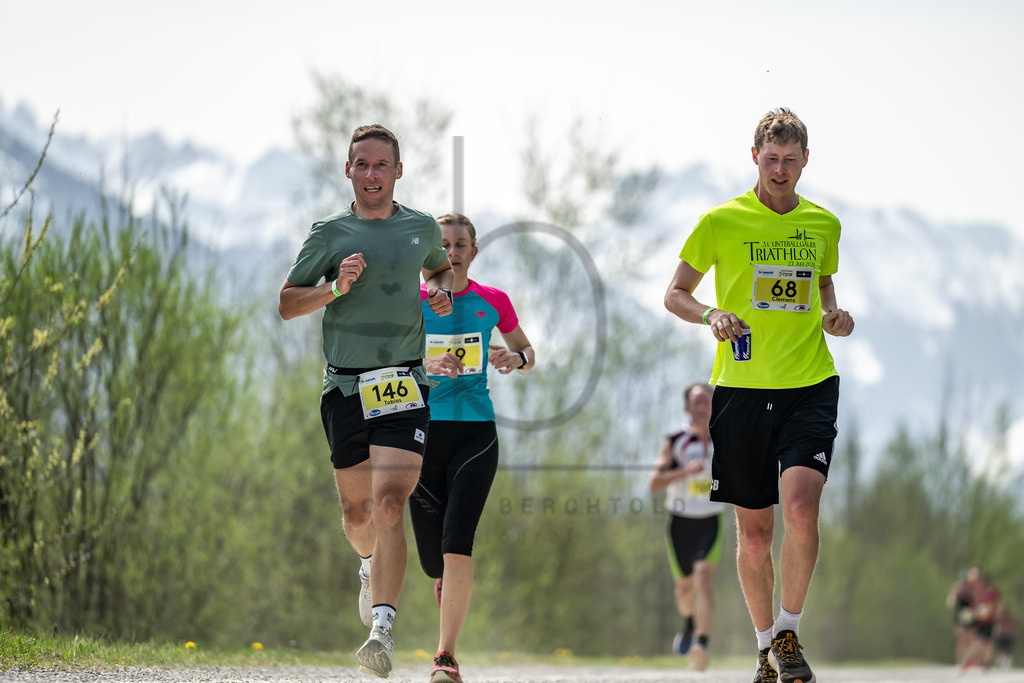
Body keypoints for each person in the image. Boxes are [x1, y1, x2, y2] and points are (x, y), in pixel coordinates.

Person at [664, 107, 855, 683]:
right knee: (755, 533)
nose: (779, 169)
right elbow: (674, 294)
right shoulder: (721, 221)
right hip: (741, 390)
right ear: (755, 157)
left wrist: (833, 317)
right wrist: (712, 314)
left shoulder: (824, 225)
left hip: (809, 387)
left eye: (789, 161)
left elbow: (822, 287)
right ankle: (764, 644)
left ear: (804, 162)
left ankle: (791, 631)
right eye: (770, 159)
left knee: (800, 509)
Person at [278, 124, 454, 679]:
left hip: (402, 380)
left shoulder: (421, 227)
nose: (372, 173)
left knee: (389, 505)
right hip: (346, 387)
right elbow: (286, 304)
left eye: (382, 164)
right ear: (348, 170)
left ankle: (381, 629)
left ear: (398, 171)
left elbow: (439, 268)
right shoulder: (329, 234)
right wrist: (334, 289)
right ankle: (367, 564)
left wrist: (440, 289)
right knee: (358, 517)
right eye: (362, 164)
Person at [410, 212, 535, 683]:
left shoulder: (493, 300)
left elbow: (529, 353)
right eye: (442, 245)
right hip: (421, 434)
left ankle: (446, 658)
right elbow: (391, 361)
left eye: (460, 244)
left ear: (473, 252)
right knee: (431, 560)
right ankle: (444, 581)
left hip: (476, 433)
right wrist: (426, 365)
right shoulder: (414, 301)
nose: (452, 252)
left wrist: (513, 357)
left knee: (457, 541)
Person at [647, 381, 725, 672]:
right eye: (696, 401)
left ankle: (700, 645)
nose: (702, 406)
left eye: (707, 401)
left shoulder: (725, 440)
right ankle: (689, 624)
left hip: (710, 520)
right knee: (684, 588)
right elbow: (653, 484)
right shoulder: (675, 440)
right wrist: (682, 471)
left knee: (704, 579)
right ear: (687, 407)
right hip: (680, 522)